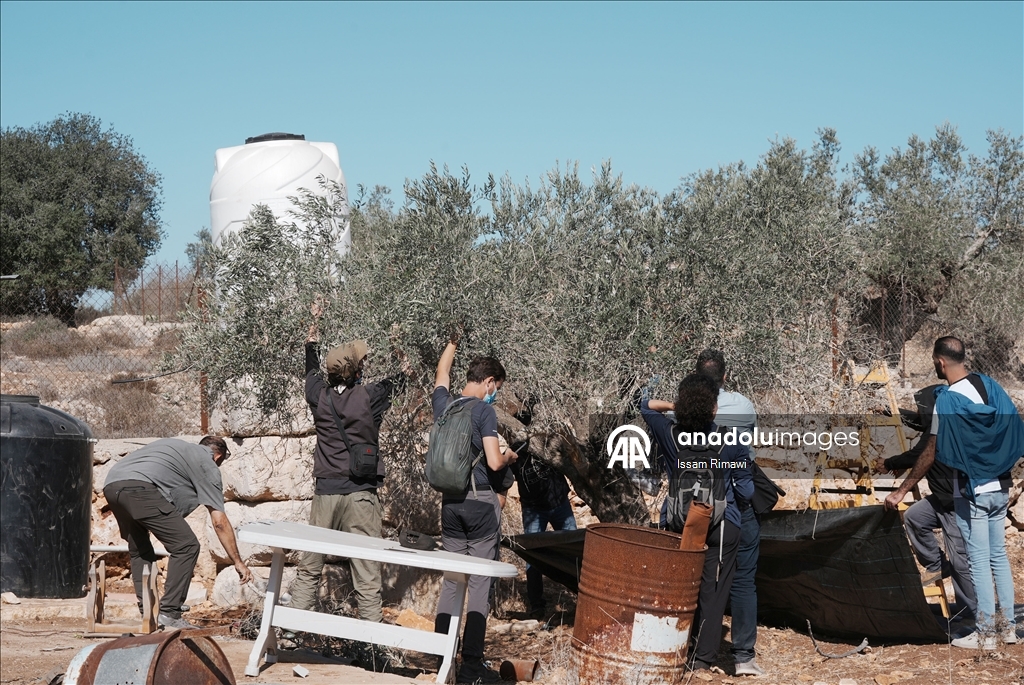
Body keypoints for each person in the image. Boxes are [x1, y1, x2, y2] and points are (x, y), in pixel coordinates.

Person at [885, 336, 1023, 648]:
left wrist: (901, 490)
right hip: (1000, 485)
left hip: (971, 490)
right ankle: (1009, 629)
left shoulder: (946, 400)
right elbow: (1013, 428)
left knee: (977, 561)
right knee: (998, 557)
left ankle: (986, 634)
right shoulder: (991, 386)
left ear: (940, 362)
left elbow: (930, 452)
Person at [288, 307, 407, 621]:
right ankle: (371, 643)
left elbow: (310, 355)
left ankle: (292, 626)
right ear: (356, 372)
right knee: (366, 569)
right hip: (361, 495)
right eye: (361, 363)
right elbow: (407, 375)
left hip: (325, 492)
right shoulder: (370, 397)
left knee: (311, 563)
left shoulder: (318, 396)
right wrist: (397, 344)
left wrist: (314, 317)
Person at [641, 373, 754, 672]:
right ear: (714, 409)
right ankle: (703, 659)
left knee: (678, 586)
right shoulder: (731, 438)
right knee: (712, 592)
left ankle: (672, 646)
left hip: (679, 523)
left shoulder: (668, 432)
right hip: (722, 525)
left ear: (681, 406)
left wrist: (673, 405)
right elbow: (746, 490)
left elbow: (642, 404)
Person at [432, 336, 518, 684]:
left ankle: (442, 660)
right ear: (489, 383)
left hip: (450, 504)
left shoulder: (445, 405)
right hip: (481, 504)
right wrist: (510, 455)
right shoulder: (483, 411)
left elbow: (441, 372)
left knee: (451, 582)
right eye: (495, 387)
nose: (494, 392)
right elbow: (495, 462)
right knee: (479, 585)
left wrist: (451, 341)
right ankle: (469, 669)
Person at [103, 436, 253, 630]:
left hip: (112, 485)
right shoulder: (207, 464)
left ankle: (148, 614)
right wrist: (237, 561)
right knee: (187, 546)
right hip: (140, 488)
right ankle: (170, 612)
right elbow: (220, 522)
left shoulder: (175, 447)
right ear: (218, 457)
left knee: (140, 550)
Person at [873, 384, 976, 620]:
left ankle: (971, 614)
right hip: (941, 498)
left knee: (961, 559)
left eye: (921, 407)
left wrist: (889, 463)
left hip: (954, 501)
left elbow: (918, 456)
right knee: (915, 517)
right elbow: (917, 420)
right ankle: (938, 564)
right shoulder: (936, 421)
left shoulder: (939, 430)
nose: (919, 412)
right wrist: (889, 411)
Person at [695, 349, 763, 677]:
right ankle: (744, 657)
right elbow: (745, 463)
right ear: (724, 376)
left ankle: (696, 650)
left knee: (702, 579)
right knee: (744, 581)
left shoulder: (685, 410)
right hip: (736, 504)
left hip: (696, 507)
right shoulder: (744, 406)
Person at [508, 437, 577, 619]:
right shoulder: (516, 450)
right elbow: (505, 475)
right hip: (534, 509)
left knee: (576, 551)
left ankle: (582, 595)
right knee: (533, 556)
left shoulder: (547, 440)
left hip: (559, 503)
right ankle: (536, 604)